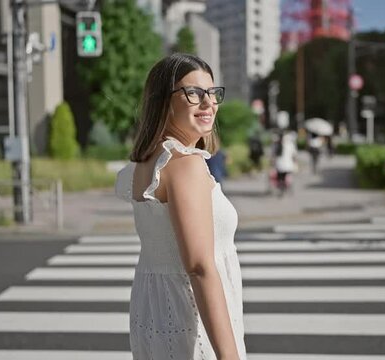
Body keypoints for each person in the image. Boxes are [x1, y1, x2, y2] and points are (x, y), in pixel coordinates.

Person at [114, 53, 245, 360]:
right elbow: (200, 267)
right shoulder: (186, 165)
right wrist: (229, 356)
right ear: (163, 101)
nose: (208, 103)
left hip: (154, 314)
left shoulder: (143, 164)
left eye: (212, 93)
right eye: (194, 93)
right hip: (190, 322)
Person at [271, 130, 298, 196]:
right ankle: (287, 187)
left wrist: (272, 163)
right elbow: (294, 155)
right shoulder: (290, 144)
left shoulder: (276, 144)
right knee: (287, 177)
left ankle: (281, 188)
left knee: (280, 178)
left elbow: (273, 155)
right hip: (288, 165)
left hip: (279, 165)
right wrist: (295, 163)